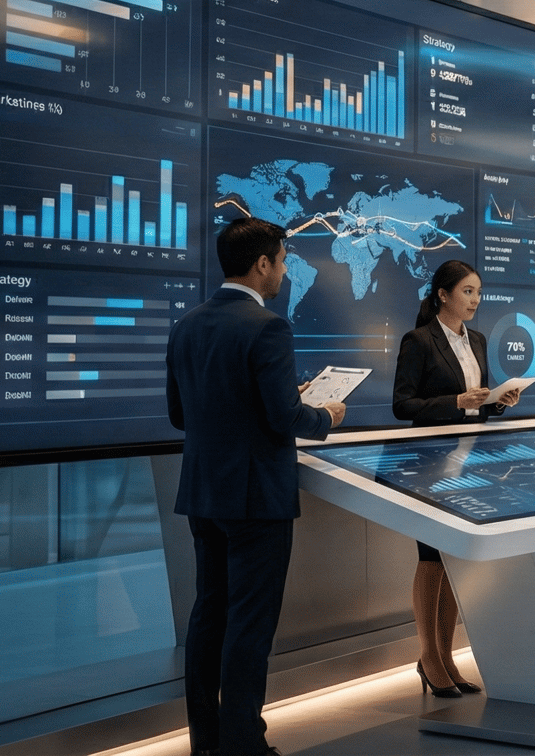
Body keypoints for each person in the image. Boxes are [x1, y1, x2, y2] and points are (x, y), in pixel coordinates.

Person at [166, 217, 345, 756]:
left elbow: (181, 415)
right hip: (255, 500)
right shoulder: (268, 327)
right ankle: (244, 744)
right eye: (284, 261)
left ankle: (208, 743)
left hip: (204, 494)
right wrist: (326, 415)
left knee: (208, 617)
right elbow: (284, 417)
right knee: (249, 626)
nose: (286, 272)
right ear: (263, 264)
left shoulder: (187, 324)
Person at [391, 259, 522, 697]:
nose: (476, 300)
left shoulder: (479, 341)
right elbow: (403, 405)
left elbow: (476, 405)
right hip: (429, 462)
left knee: (451, 559)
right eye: (468, 292)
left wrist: (497, 401)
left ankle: (446, 657)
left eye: (479, 293)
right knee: (431, 556)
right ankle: (429, 658)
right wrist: (456, 400)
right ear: (443, 295)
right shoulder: (419, 341)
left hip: (470, 461)